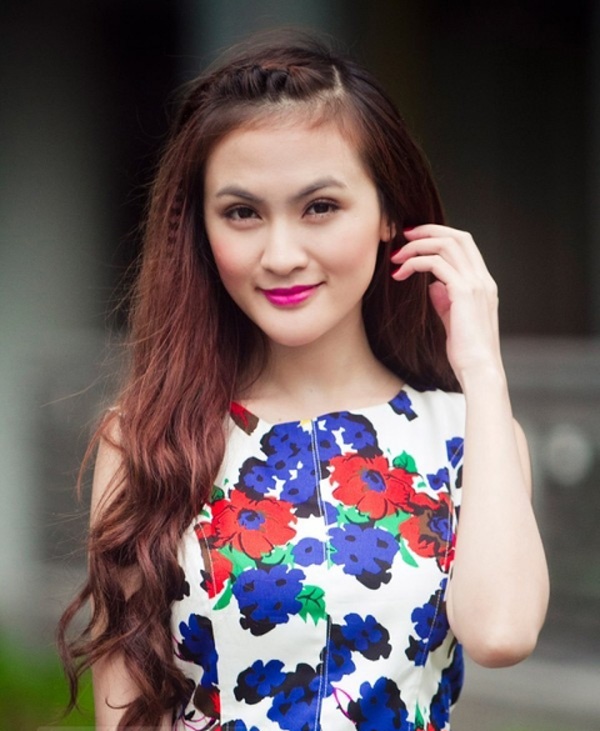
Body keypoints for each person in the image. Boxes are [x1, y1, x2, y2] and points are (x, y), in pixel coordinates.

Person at [58, 30, 549, 731]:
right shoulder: (148, 439)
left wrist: (482, 369)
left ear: (389, 215)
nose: (281, 254)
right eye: (242, 213)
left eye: (320, 207)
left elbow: (501, 632)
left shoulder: (468, 435)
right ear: (202, 230)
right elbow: (127, 715)